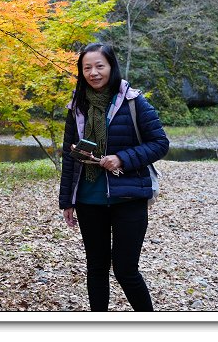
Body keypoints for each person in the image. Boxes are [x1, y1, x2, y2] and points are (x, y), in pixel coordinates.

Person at [59, 42, 169, 311]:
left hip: (128, 197)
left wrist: (122, 158)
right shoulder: (77, 105)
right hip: (88, 198)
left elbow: (160, 143)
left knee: (125, 270)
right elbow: (67, 155)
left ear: (111, 67)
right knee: (96, 268)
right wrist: (67, 201)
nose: (93, 73)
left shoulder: (133, 101)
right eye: (87, 67)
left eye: (100, 66)